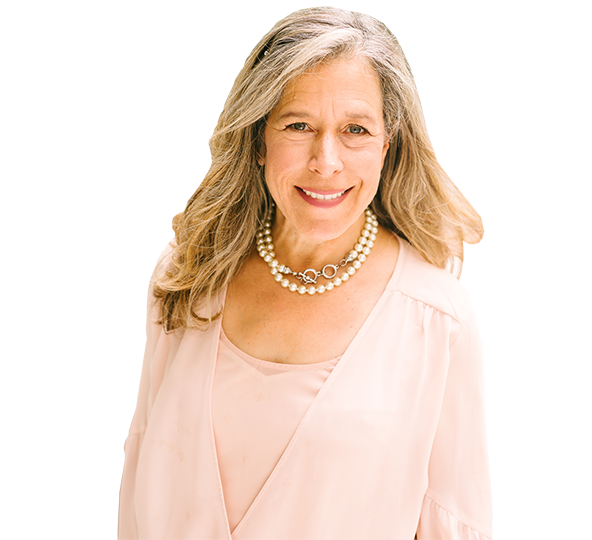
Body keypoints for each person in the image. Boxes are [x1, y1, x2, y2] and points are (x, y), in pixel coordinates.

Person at [118, 7, 492, 540]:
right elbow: (141, 482)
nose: (326, 161)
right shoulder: (188, 273)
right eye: (298, 125)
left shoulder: (435, 318)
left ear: (387, 145)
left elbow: (451, 523)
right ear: (258, 138)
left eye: (355, 129)